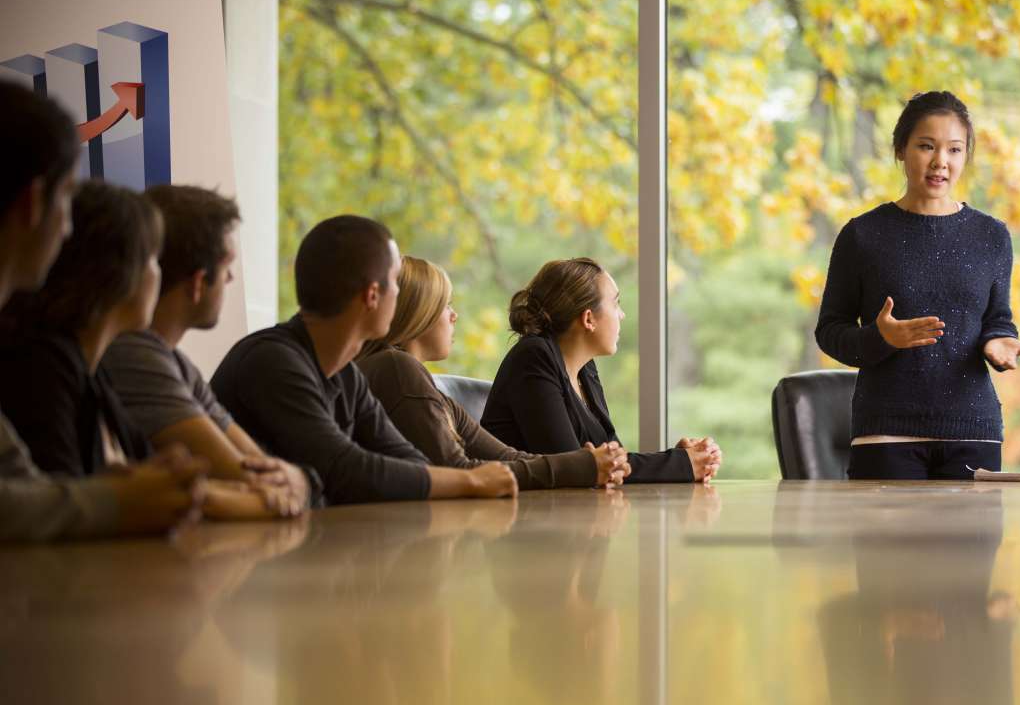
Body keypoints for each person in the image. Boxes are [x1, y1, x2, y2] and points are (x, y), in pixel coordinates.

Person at [0, 81, 202, 541]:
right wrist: (118, 499)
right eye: (67, 196)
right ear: (34, 203)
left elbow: (29, 488)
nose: (67, 228)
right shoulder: (37, 362)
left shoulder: (89, 372)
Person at [210, 215, 517, 503]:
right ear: (372, 295)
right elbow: (345, 471)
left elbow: (410, 461)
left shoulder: (345, 374)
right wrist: (470, 482)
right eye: (396, 282)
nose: (399, 293)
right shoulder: (271, 362)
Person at [814, 90, 1020, 480]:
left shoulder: (992, 236)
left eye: (954, 150)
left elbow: (997, 318)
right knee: (887, 545)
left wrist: (997, 341)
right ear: (901, 149)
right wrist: (881, 338)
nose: (940, 162)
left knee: (973, 544)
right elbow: (830, 332)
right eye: (926, 146)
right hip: (886, 434)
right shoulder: (862, 235)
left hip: (974, 434)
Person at [101, 185, 312, 516]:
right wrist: (289, 487)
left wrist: (295, 480)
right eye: (227, 265)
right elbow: (247, 479)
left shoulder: (177, 363)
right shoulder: (132, 353)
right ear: (198, 282)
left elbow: (262, 471)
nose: (229, 278)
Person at [356, 255, 630, 490]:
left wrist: (589, 464)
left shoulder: (428, 391)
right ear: (418, 313)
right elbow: (459, 469)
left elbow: (506, 455)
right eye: (445, 304)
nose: (454, 316)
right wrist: (584, 465)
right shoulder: (397, 368)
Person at [480, 257, 721, 483]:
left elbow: (612, 459)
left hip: (567, 514)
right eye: (616, 303)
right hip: (521, 520)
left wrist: (679, 459)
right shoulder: (533, 357)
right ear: (589, 319)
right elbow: (575, 468)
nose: (622, 315)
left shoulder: (586, 369)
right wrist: (680, 464)